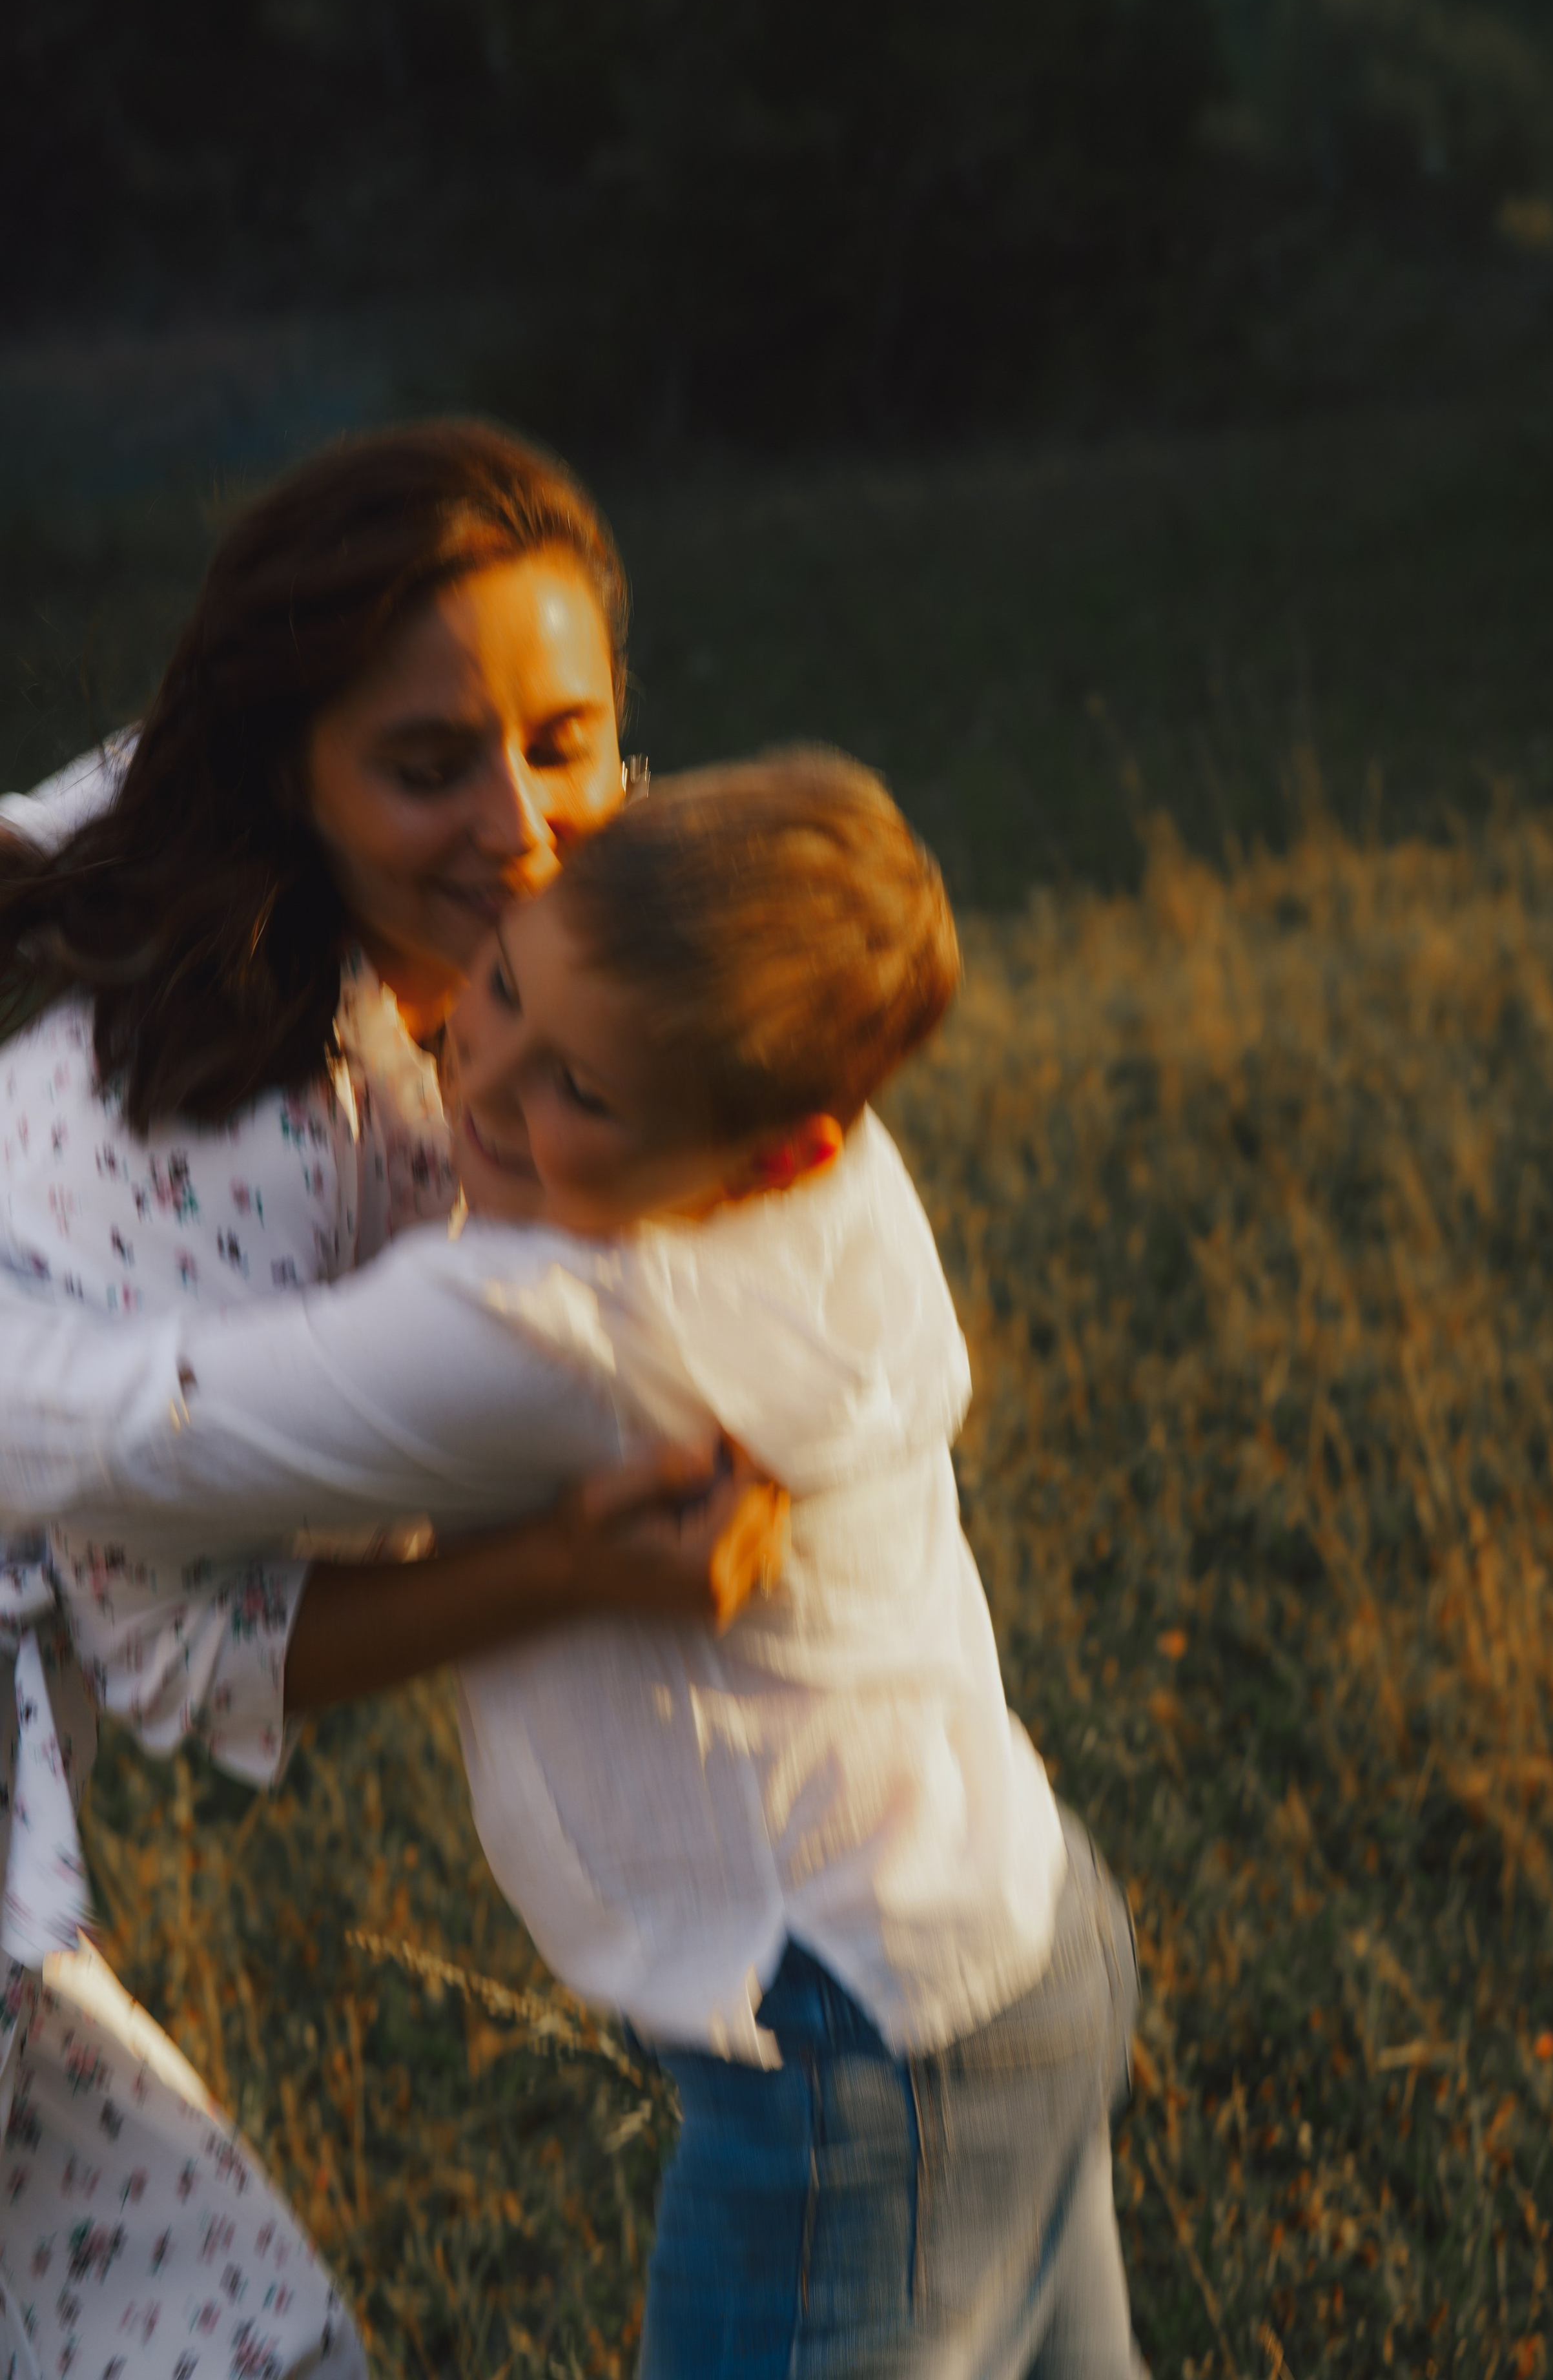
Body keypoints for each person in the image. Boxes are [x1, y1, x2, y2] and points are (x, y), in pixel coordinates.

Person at [0, 752, 1147, 2377]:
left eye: (580, 1096)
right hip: (1011, 1930)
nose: (483, 1083)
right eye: (507, 989)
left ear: (774, 1154)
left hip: (845, 2063)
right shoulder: (824, 1170)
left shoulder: (561, 1326)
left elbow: (125, 1436)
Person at [0, 422, 782, 2377]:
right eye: (429, 767)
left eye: (567, 740)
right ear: (297, 771)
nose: (521, 824)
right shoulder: (241, 1106)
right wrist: (574, 1568)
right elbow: (177, 1648)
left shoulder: (281, 901)